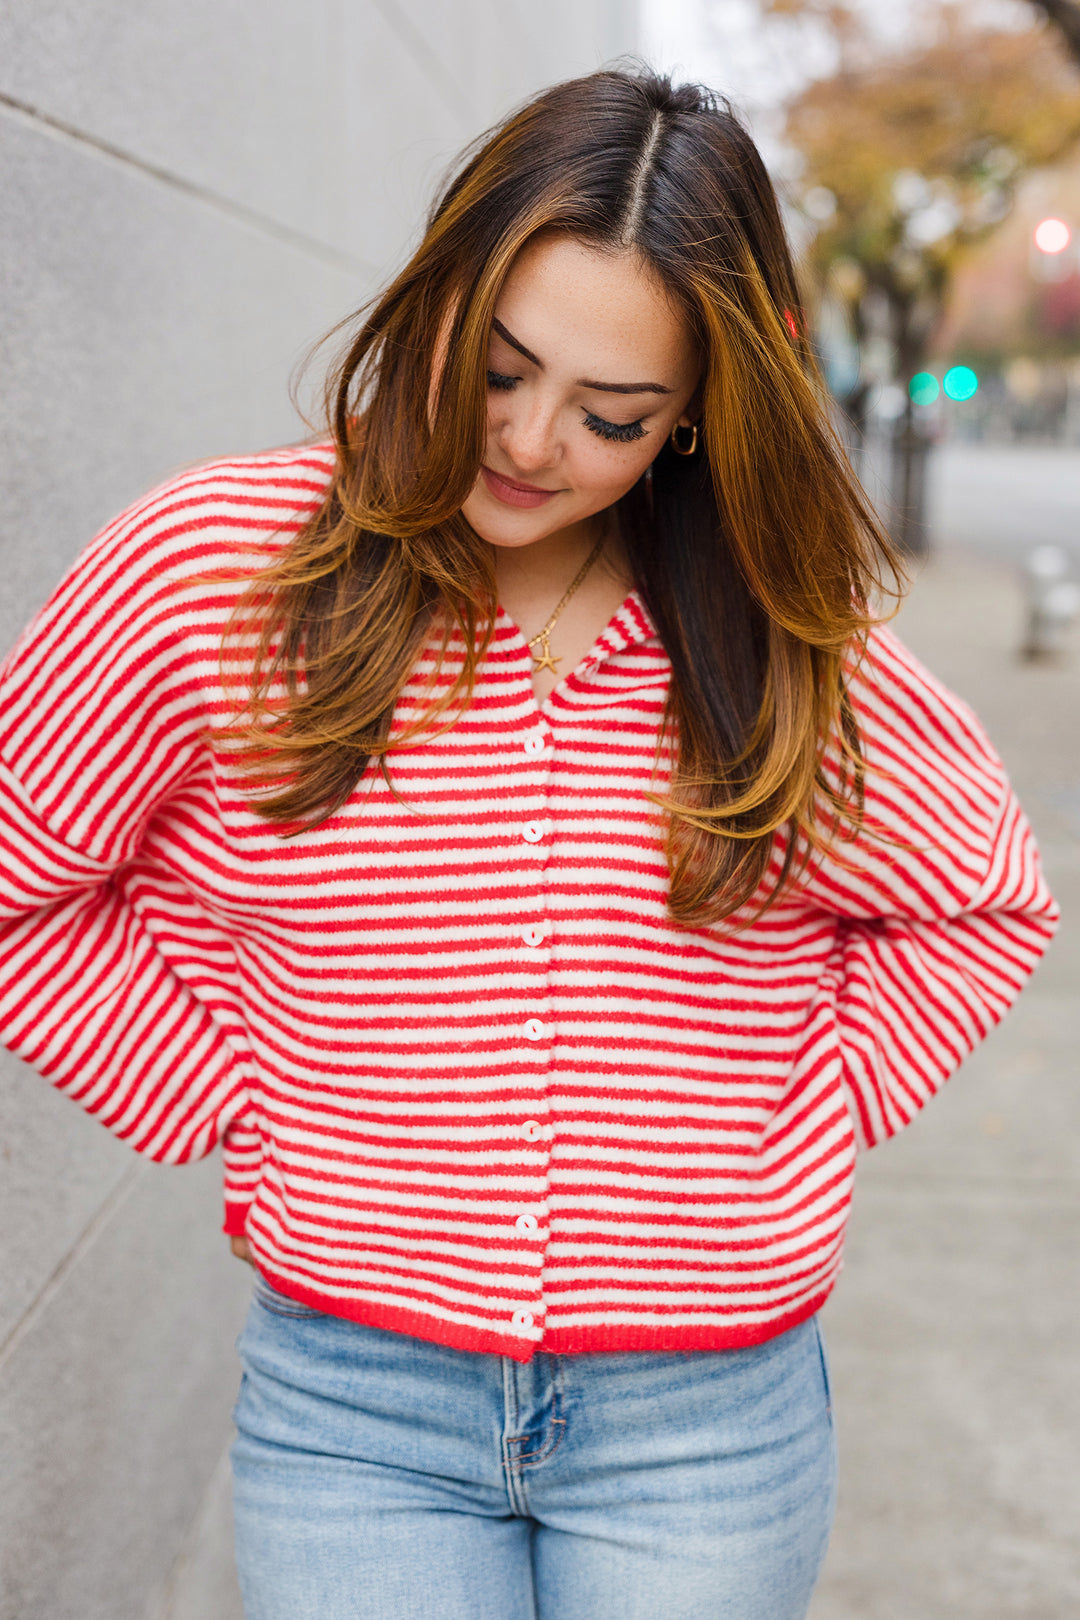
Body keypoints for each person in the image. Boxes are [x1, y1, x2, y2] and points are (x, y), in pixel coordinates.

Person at [0, 68, 1057, 1620]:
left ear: (694, 417)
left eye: (611, 414)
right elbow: (27, 879)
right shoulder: (216, 574)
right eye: (499, 367)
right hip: (354, 1415)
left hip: (705, 1435)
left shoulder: (775, 644)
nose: (529, 439)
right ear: (438, 290)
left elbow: (980, 898)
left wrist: (791, 1115)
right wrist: (241, 1091)